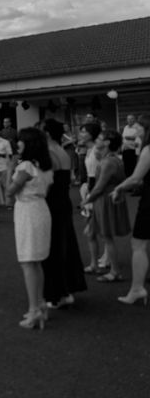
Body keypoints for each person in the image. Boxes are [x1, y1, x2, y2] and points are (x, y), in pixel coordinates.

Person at [6, 128, 54, 330]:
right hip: (41, 209)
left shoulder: (25, 166)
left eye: (21, 141)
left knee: (28, 262)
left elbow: (8, 192)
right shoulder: (45, 165)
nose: (18, 144)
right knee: (36, 262)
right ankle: (40, 304)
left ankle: (34, 310)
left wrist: (9, 169)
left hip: (28, 212)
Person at [41, 119, 87, 309]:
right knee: (65, 243)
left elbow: (46, 183)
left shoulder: (49, 152)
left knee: (53, 247)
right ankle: (67, 289)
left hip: (52, 203)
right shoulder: (63, 151)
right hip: (63, 201)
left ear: (48, 133)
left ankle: (57, 293)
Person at [110, 115, 150, 305]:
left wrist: (118, 188)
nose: (137, 130)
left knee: (138, 244)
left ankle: (137, 289)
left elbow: (136, 178)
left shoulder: (148, 150)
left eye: (140, 127)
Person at [81, 130, 130, 283]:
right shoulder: (108, 158)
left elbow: (99, 186)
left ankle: (115, 272)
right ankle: (95, 264)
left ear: (107, 142)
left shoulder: (109, 161)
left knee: (107, 236)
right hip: (103, 199)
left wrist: (86, 200)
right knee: (91, 232)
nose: (97, 139)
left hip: (105, 199)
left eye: (100, 138)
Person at [79, 122, 103, 273]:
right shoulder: (88, 150)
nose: (81, 134)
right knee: (91, 229)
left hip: (97, 188)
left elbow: (102, 170)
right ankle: (95, 262)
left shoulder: (96, 150)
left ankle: (100, 262)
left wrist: (93, 191)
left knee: (93, 229)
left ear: (91, 134)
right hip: (89, 187)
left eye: (84, 131)